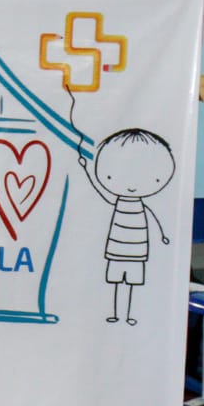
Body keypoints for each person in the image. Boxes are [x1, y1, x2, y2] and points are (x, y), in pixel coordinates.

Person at [79, 127, 175, 325]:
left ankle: (129, 315)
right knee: (116, 282)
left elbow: (154, 218)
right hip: (117, 248)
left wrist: (163, 234)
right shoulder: (120, 202)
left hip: (137, 250)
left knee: (131, 284)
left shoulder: (141, 206)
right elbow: (100, 192)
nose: (132, 185)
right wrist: (86, 169)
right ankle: (116, 313)